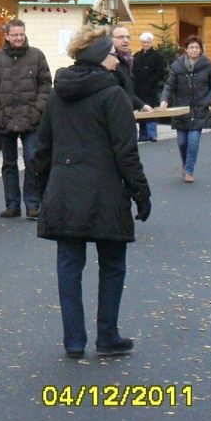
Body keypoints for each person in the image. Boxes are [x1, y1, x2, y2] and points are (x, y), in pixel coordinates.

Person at [33, 26, 151, 358]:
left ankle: (73, 340)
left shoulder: (59, 93)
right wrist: (141, 194)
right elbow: (126, 152)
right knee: (112, 263)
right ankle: (107, 335)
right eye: (113, 53)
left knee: (69, 264)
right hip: (106, 191)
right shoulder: (113, 95)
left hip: (64, 189)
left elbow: (43, 147)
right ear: (101, 57)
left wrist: (41, 191)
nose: (118, 58)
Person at [0, 18, 51, 220]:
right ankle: (12, 204)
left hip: (32, 120)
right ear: (7, 36)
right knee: (8, 163)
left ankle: (32, 204)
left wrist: (37, 110)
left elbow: (46, 85)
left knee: (32, 161)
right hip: (5, 119)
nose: (19, 38)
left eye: (22, 34)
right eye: (15, 35)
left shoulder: (37, 56)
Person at [159, 34, 211, 183]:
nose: (194, 50)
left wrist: (208, 101)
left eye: (197, 47)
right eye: (191, 47)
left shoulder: (207, 65)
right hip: (182, 109)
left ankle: (189, 171)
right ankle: (185, 164)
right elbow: (169, 85)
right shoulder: (177, 66)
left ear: (201, 50)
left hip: (199, 109)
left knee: (193, 141)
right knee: (181, 142)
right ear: (186, 49)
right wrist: (164, 99)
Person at [111, 25, 153, 117]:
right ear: (111, 39)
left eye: (128, 37)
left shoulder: (127, 61)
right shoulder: (110, 62)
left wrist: (141, 104)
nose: (126, 40)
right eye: (121, 37)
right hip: (116, 116)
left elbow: (127, 91)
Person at [132, 31, 166, 142]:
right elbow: (133, 71)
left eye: (148, 42)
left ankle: (152, 134)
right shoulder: (136, 56)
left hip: (151, 87)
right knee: (142, 109)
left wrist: (152, 81)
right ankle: (143, 134)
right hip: (139, 88)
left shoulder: (157, 56)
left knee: (151, 110)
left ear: (151, 42)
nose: (145, 44)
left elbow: (160, 72)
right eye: (143, 42)